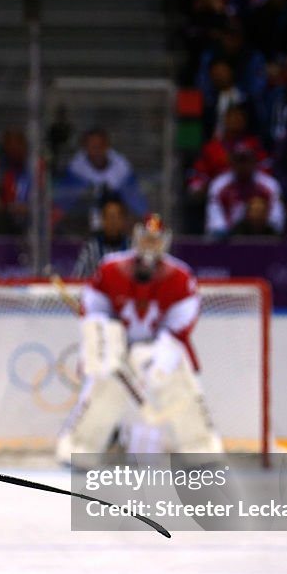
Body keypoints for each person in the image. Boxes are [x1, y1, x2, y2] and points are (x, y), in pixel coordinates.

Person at [56, 215, 223, 464]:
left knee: (177, 381)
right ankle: (81, 444)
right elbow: (94, 311)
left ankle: (199, 444)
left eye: (155, 240)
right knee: (104, 384)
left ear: (165, 243)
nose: (149, 245)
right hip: (118, 347)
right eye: (145, 238)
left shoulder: (180, 277)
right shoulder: (110, 269)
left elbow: (181, 326)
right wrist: (105, 343)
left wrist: (163, 357)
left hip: (157, 347)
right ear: (135, 238)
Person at [71, 193, 131, 279]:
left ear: (123, 220)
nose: (113, 222)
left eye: (116, 217)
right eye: (109, 217)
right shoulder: (91, 249)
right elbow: (77, 280)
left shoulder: (132, 248)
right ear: (103, 220)